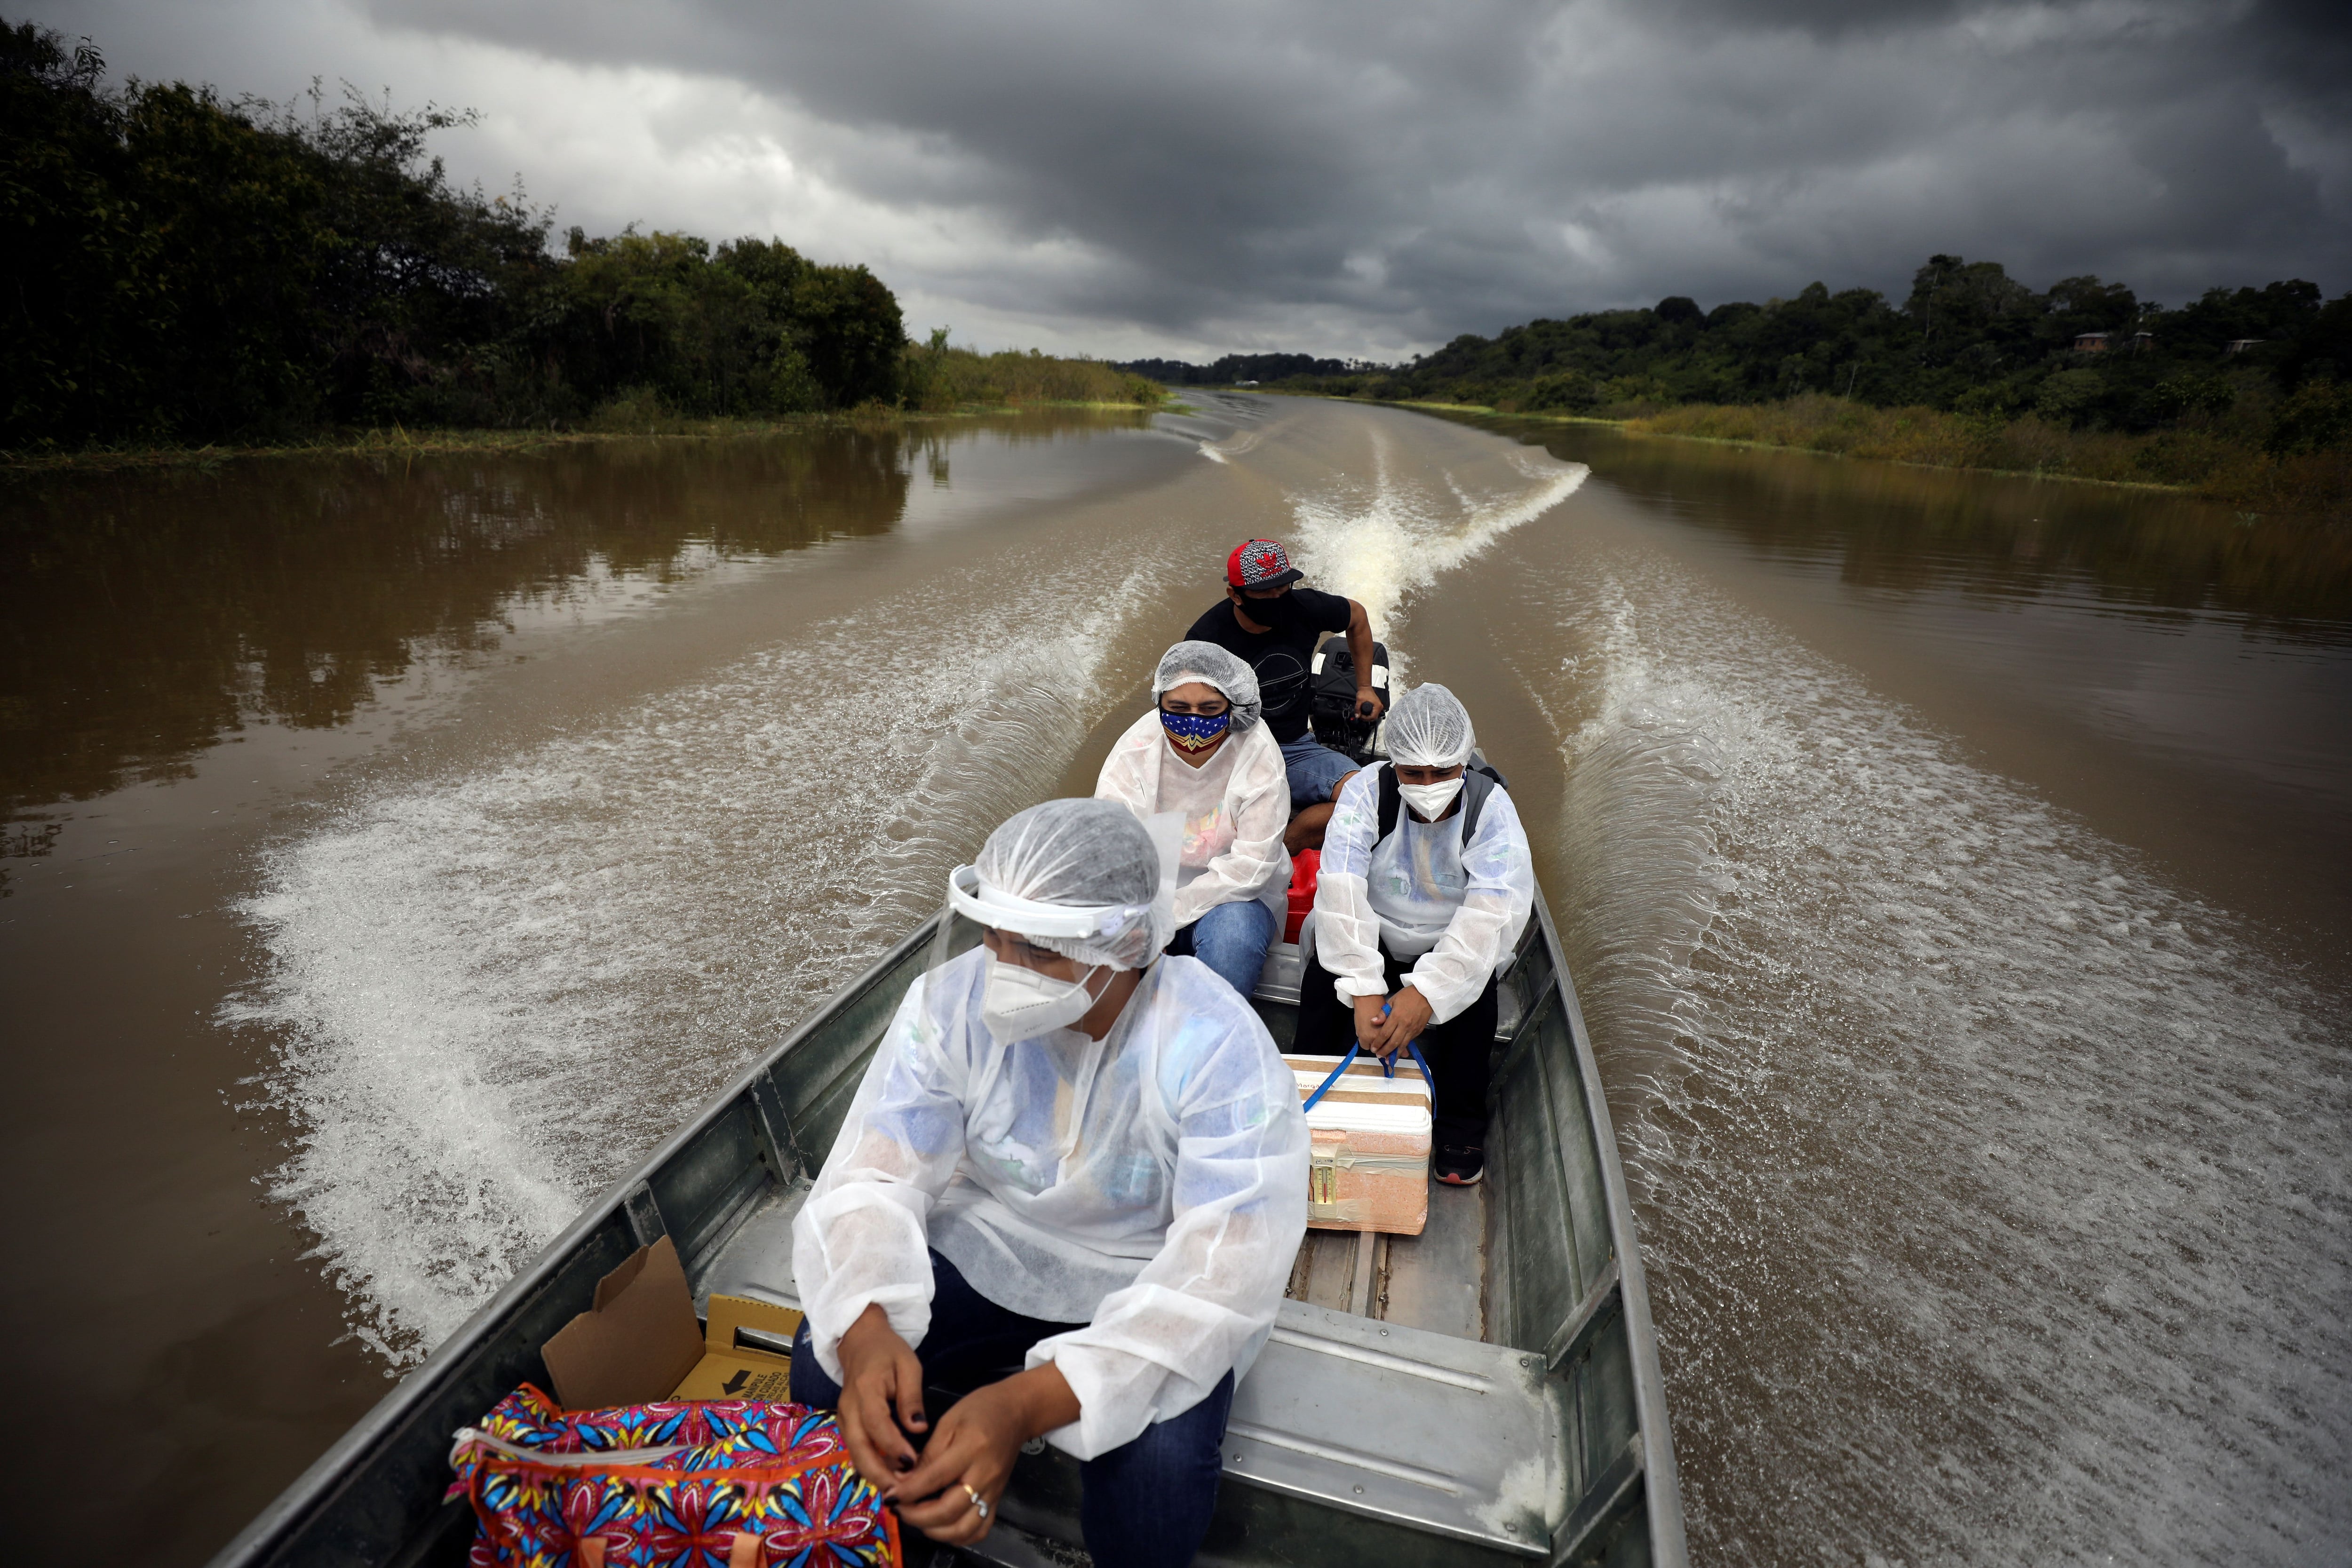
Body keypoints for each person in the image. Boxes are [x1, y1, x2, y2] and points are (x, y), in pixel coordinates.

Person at [788, 798, 1310, 1567]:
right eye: (998, 939)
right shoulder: (952, 1005)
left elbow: (1221, 1279)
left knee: (1158, 1480)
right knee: (824, 1362)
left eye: (1041, 951)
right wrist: (866, 1335)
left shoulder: (1215, 1044)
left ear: (1128, 942)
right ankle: (895, 1537)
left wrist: (1019, 1405)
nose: (1006, 972)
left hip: (1147, 1277)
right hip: (993, 1239)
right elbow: (873, 1174)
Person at [1294, 684, 1534, 1186]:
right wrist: (1363, 989)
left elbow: (1490, 915)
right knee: (1322, 980)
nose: (1428, 784)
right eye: (1413, 773)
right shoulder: (1366, 790)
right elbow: (1340, 889)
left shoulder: (1490, 809)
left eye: (1443, 772)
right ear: (1394, 765)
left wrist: (1423, 994)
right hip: (1372, 927)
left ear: (1464, 762)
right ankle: (1305, 1089)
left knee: (1477, 993)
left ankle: (1459, 1122)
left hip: (1447, 939)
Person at [1094, 640, 1289, 1000]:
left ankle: (1210, 1039)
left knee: (1234, 938)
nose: (1193, 724)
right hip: (1148, 895)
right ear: (1159, 703)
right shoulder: (1136, 749)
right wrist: (1143, 919)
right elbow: (1113, 847)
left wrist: (1169, 915)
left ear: (1234, 708)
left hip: (1235, 899)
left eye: (1210, 708)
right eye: (1178, 708)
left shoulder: (1257, 750)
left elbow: (1251, 867)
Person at [1183, 539, 1383, 836]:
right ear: (1236, 595)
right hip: (1230, 749)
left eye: (1283, 586)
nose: (1278, 598)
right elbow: (1184, 711)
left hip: (1293, 746)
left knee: (1366, 794)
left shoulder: (1306, 608)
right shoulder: (1207, 640)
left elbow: (1357, 617)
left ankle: (1288, 846)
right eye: (1265, 592)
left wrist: (1365, 687)